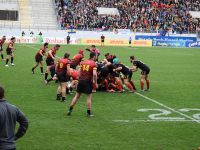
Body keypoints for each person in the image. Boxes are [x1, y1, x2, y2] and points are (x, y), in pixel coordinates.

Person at [67, 52, 98, 117]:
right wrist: (95, 82)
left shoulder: (83, 62)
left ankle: (70, 110)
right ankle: (88, 113)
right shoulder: (93, 63)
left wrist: (79, 79)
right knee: (89, 97)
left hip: (81, 81)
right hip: (87, 81)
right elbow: (94, 74)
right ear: (94, 57)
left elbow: (78, 72)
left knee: (77, 96)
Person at [0, 86, 28, 150]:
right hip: (11, 146)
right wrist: (16, 136)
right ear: (3, 95)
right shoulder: (13, 108)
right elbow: (25, 122)